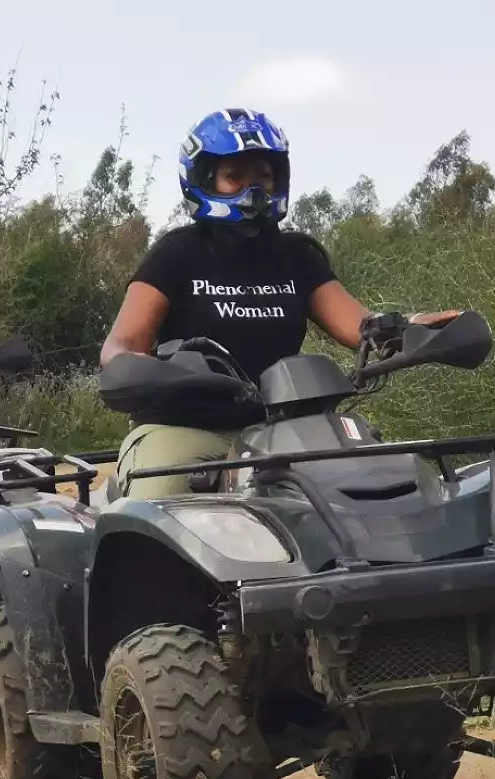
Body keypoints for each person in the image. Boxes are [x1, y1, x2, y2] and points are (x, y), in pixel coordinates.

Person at [100, 107, 463, 498]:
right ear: (205, 180)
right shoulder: (176, 254)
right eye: (234, 177)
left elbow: (361, 327)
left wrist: (411, 326)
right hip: (185, 429)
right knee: (164, 506)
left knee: (377, 490)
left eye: (263, 176)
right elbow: (121, 344)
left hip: (287, 430)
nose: (253, 190)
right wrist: (133, 367)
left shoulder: (297, 255)